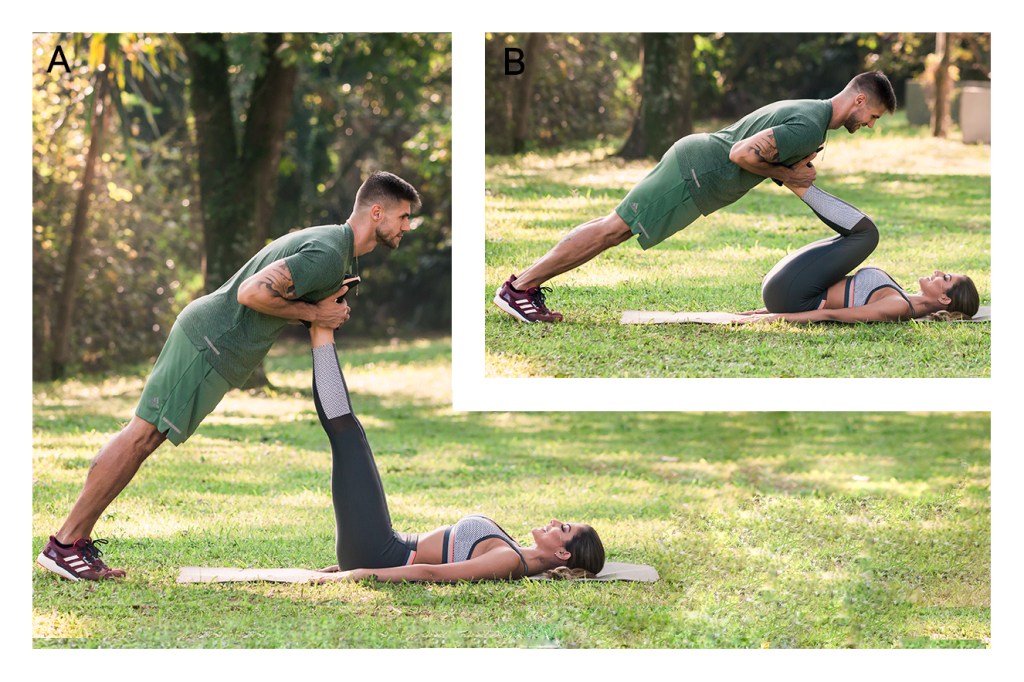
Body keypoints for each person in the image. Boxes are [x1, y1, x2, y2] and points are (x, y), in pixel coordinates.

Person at [37, 171, 421, 581]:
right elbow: (250, 293)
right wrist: (315, 313)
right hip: (209, 341)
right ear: (376, 212)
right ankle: (65, 544)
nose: (406, 225)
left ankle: (74, 542)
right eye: (402, 216)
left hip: (211, 343)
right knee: (141, 436)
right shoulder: (329, 252)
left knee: (142, 435)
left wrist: (318, 311)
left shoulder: (336, 250)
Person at [493, 71, 898, 323]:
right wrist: (786, 173)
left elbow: (758, 152)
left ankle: (524, 287)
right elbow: (741, 154)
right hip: (694, 174)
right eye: (873, 116)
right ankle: (520, 288)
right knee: (612, 230)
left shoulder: (813, 117)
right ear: (859, 100)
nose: (870, 124)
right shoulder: (810, 125)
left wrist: (789, 172)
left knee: (613, 227)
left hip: (694, 169)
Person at [306, 322, 605, 582]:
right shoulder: (514, 551)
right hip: (381, 548)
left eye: (564, 527)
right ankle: (321, 328)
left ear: (563, 553)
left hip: (379, 552)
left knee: (347, 432)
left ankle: (321, 327)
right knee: (349, 433)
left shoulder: (509, 561)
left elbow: (432, 574)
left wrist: (359, 573)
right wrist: (354, 564)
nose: (554, 521)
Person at [739, 183, 980, 323]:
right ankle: (798, 182)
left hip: (792, 294)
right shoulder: (902, 296)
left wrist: (774, 318)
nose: (937, 272)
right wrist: (763, 310)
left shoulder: (899, 307)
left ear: (945, 299)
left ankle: (797, 183)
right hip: (787, 291)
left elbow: (833, 315)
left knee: (868, 234)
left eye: (945, 278)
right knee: (853, 235)